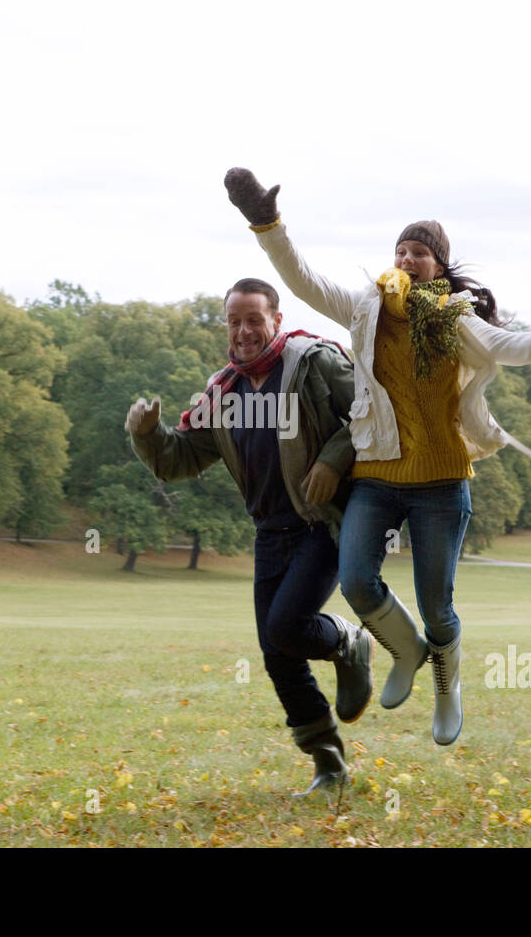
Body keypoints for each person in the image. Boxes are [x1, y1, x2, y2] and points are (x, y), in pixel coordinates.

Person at [224, 167, 531, 745]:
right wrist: (265, 223)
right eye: (400, 249)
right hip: (377, 476)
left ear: (438, 266)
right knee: (355, 581)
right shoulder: (365, 307)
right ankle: (404, 655)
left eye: (418, 251)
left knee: (437, 607)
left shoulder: (457, 319)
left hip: (442, 480)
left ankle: (447, 688)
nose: (406, 257)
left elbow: (511, 346)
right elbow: (301, 281)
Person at [126, 277, 374, 796]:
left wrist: (333, 459)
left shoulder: (314, 363)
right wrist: (147, 435)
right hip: (269, 534)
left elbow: (372, 412)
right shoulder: (223, 391)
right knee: (277, 655)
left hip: (322, 523)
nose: (243, 331)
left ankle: (349, 640)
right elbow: (182, 459)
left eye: (254, 319)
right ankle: (329, 765)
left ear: (276, 320)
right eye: (234, 321)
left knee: (286, 627)